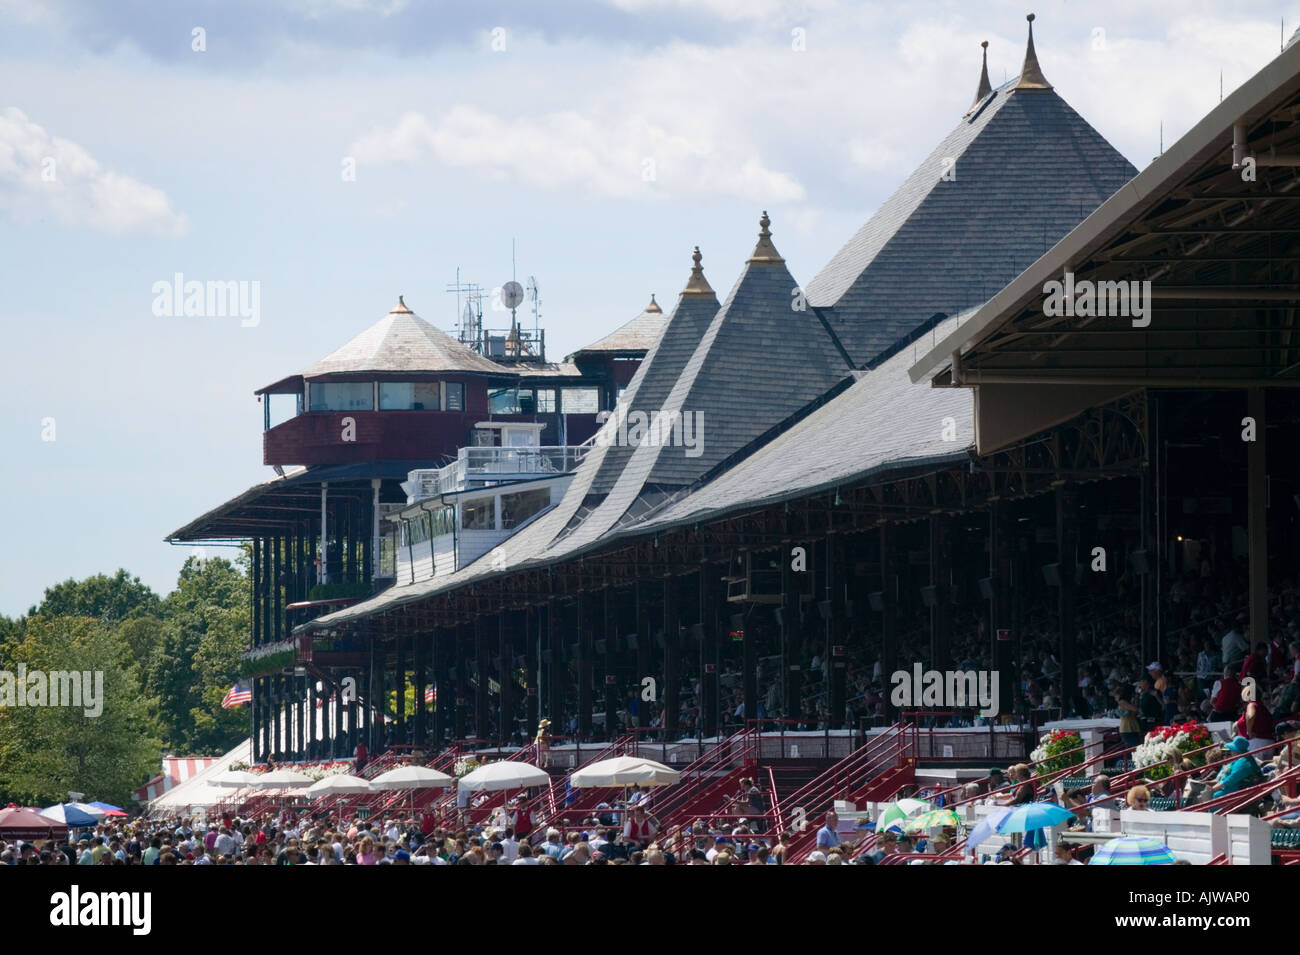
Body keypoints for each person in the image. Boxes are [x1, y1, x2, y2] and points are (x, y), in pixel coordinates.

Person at [1237, 681, 1276, 753]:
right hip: (1267, 742)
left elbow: (1250, 716)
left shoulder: (1252, 705)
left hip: (1256, 743)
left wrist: (1249, 732)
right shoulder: (1262, 707)